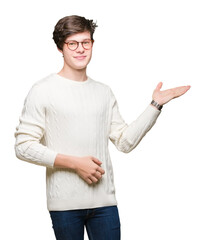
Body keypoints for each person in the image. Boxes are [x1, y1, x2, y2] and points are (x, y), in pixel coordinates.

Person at [14, 15, 191, 240]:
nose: (80, 49)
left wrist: (155, 105)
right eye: (72, 43)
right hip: (65, 206)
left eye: (85, 42)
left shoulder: (103, 92)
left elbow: (125, 142)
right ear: (61, 48)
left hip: (105, 205)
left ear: (92, 44)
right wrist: (75, 163)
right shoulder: (42, 90)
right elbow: (23, 146)